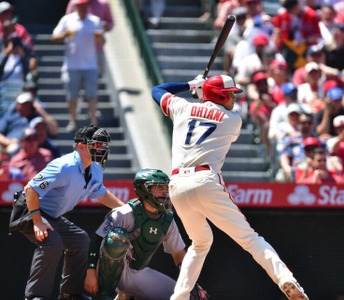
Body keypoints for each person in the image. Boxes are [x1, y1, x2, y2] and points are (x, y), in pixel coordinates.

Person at [151, 74, 310, 300]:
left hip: (176, 185)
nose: (234, 99)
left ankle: (180, 297)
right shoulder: (232, 119)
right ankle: (286, 279)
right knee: (249, 238)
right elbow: (209, 114)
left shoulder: (182, 107)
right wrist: (202, 92)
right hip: (205, 179)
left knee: (201, 241)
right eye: (230, 94)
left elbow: (157, 90)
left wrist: (191, 86)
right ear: (218, 95)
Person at [19, 125, 125, 300]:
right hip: (29, 209)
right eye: (97, 145)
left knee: (80, 240)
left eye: (103, 145)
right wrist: (37, 221)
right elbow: (31, 189)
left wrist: (125, 208)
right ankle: (35, 296)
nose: (102, 149)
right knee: (52, 241)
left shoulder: (95, 169)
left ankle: (70, 294)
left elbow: (102, 194)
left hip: (52, 216)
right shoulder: (64, 166)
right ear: (82, 147)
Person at [84, 168, 209, 300]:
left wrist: (190, 284)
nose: (165, 192)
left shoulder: (167, 219)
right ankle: (106, 295)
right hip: (106, 269)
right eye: (159, 188)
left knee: (188, 296)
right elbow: (97, 239)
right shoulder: (125, 213)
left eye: (167, 188)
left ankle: (124, 296)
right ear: (144, 190)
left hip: (136, 272)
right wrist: (91, 271)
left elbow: (178, 254)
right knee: (116, 238)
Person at [52, 0, 105, 131]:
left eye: (85, 5)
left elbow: (103, 41)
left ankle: (93, 121)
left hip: (90, 64)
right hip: (72, 65)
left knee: (92, 95)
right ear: (76, 6)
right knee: (72, 96)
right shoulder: (67, 20)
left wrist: (99, 38)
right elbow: (54, 37)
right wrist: (65, 34)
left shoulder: (95, 21)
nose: (83, 7)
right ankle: (73, 119)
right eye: (80, 5)